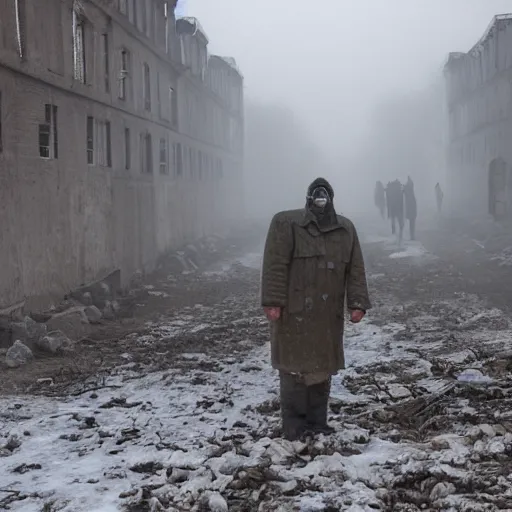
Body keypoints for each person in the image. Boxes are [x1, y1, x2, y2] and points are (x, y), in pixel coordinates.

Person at [260, 177, 371, 441]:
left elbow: (355, 269)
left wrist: (357, 303)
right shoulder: (286, 224)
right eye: (316, 196)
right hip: (294, 313)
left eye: (325, 196)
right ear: (309, 199)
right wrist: (273, 301)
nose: (321, 201)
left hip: (326, 314)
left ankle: (318, 421)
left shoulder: (345, 230)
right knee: (293, 368)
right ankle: (294, 425)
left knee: (323, 368)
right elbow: (275, 264)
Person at [403, 176, 417, 240]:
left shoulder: (408, 190)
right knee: (412, 223)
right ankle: (412, 236)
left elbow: (405, 189)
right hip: (412, 208)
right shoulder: (410, 191)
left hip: (411, 208)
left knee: (411, 223)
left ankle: (411, 236)